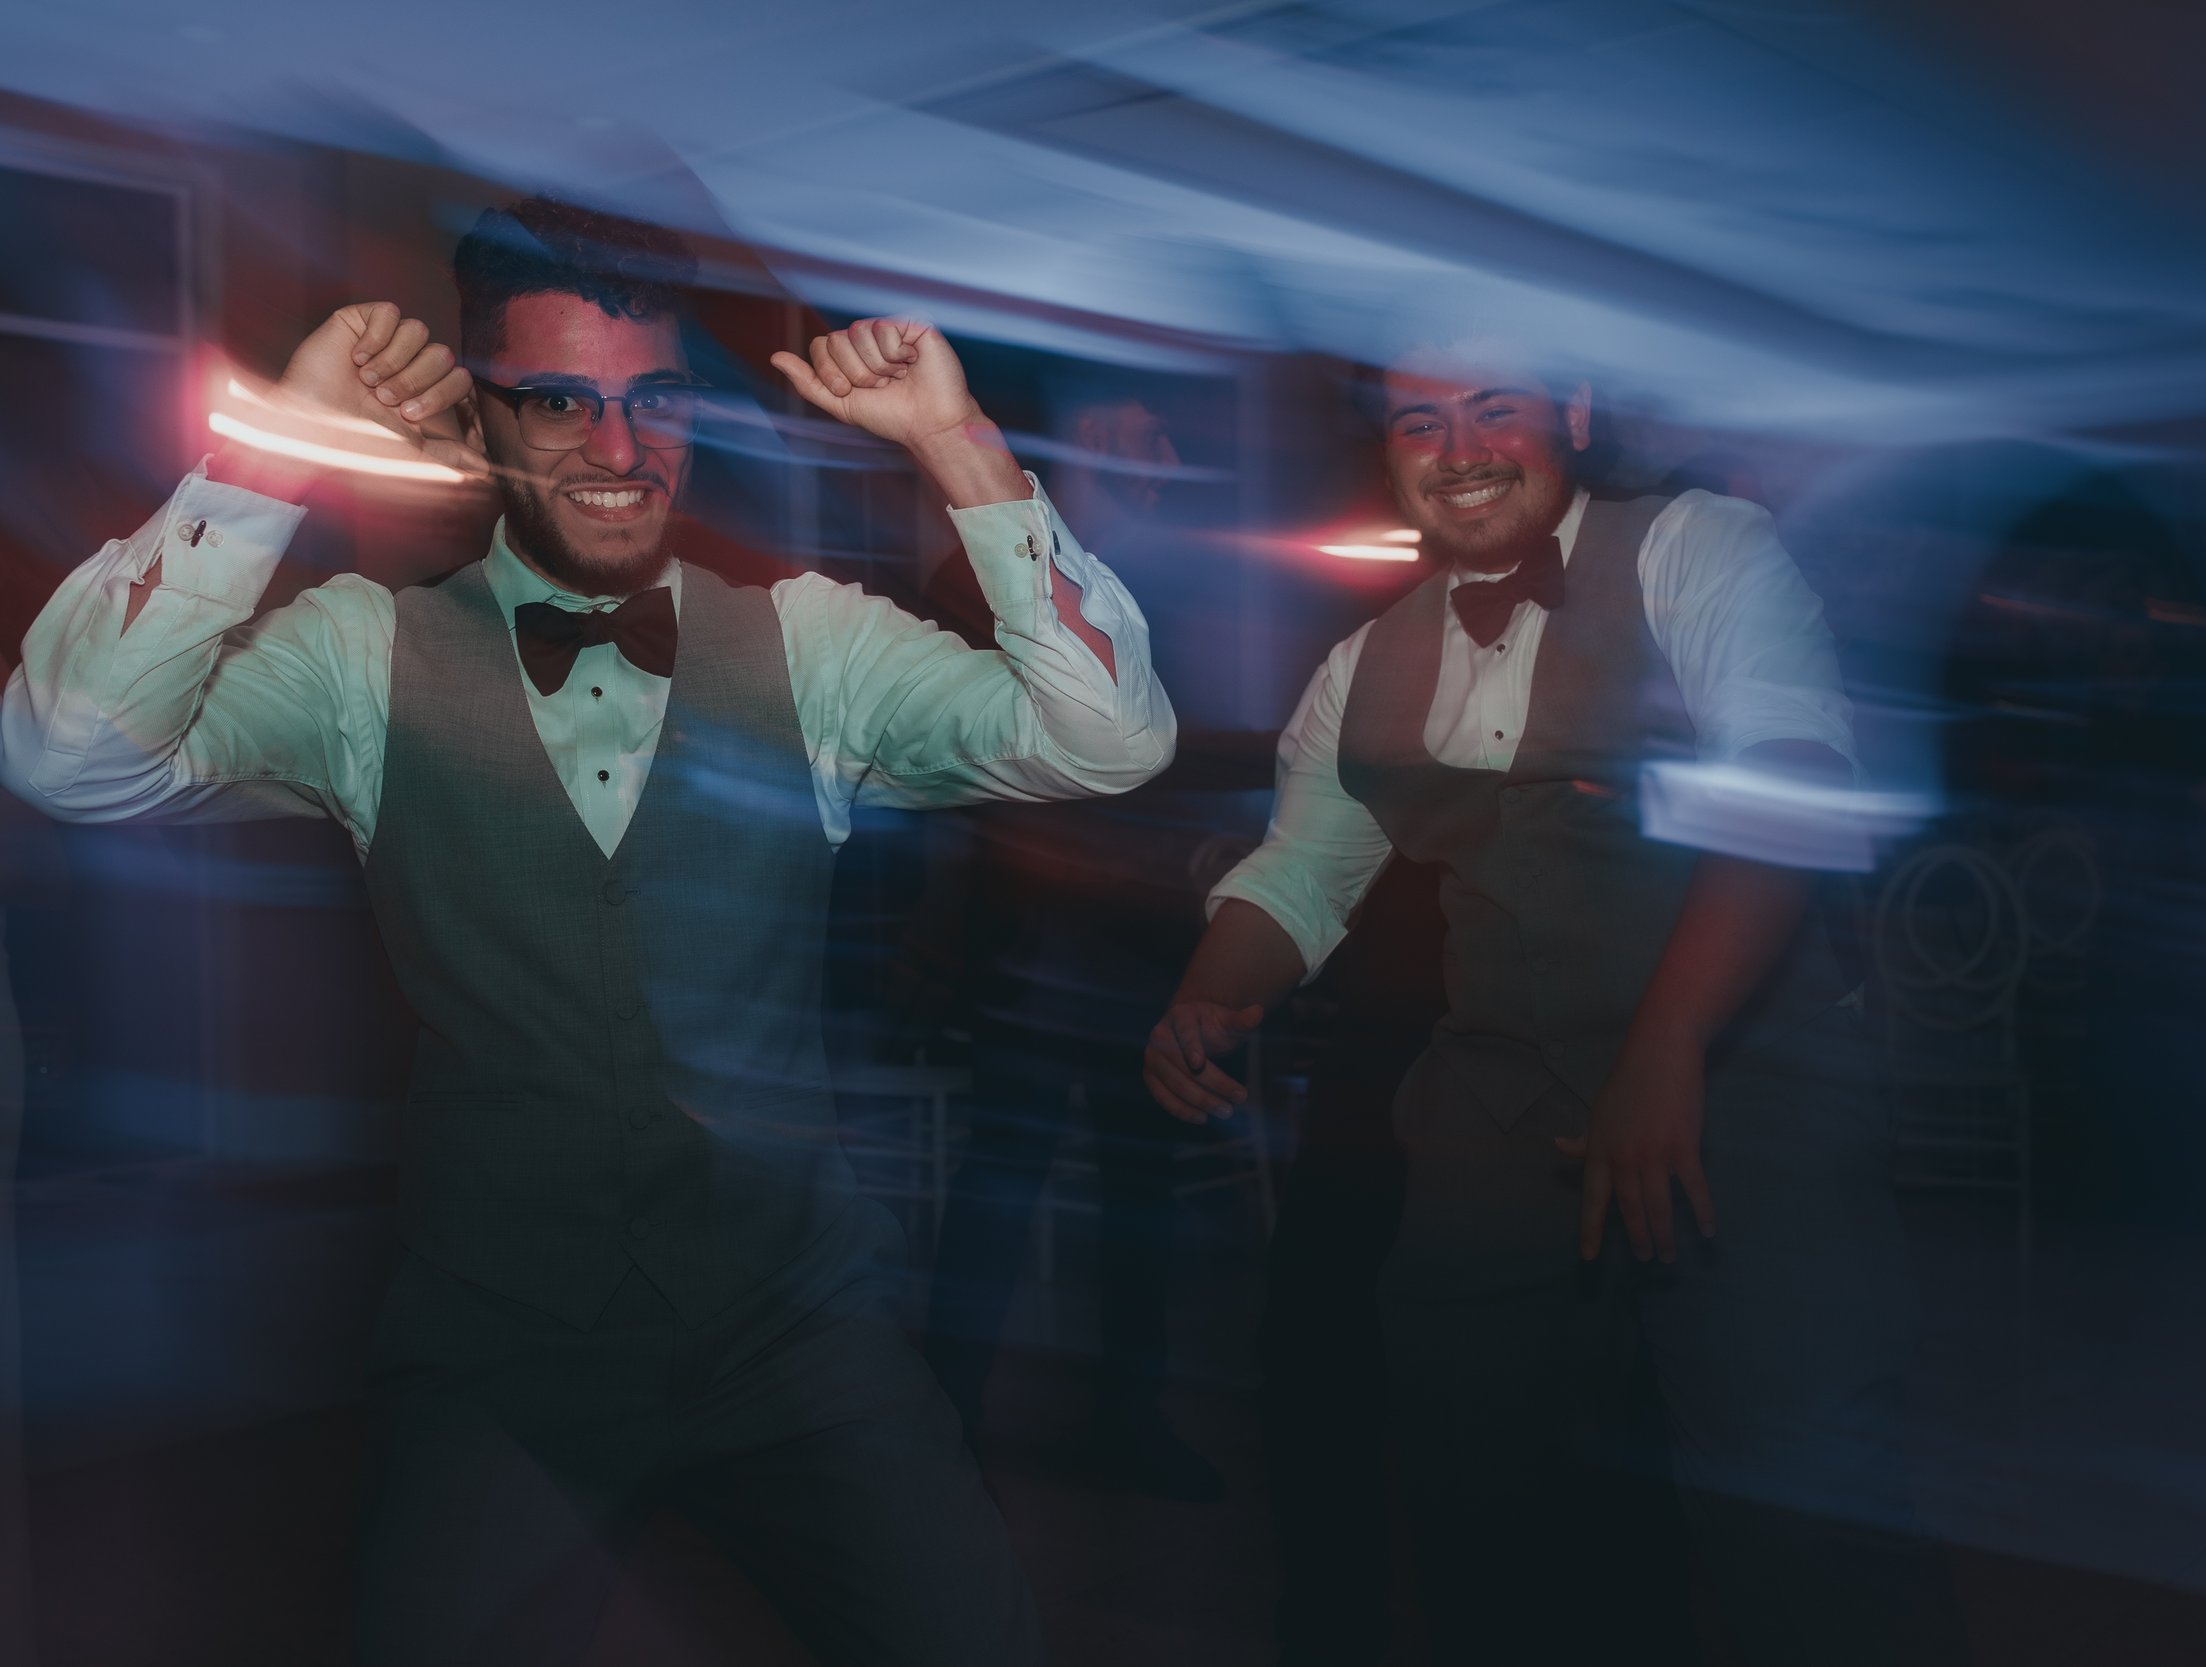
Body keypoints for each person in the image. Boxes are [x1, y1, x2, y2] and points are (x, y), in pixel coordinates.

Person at [0, 196, 1175, 1666]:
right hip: (503, 1346)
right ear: (485, 416)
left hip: (796, 1339)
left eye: (654, 399)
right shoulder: (365, 651)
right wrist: (270, 446)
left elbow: (1109, 740)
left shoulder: (815, 638)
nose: (618, 452)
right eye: (557, 402)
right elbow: (66, 755)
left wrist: (958, 444)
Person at [1145, 338, 1963, 1664]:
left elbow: (1790, 780)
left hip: (1744, 1091)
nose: (1458, 447)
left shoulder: (1696, 546)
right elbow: (1304, 866)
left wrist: (1670, 1044)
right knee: (1482, 1493)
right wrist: (1210, 988)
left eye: (1495, 406)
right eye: (1420, 417)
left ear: (1573, 410)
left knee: (1800, 1511)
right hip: (1497, 1110)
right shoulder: (1367, 661)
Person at [918, 382, 1227, 1500]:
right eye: (1150, 427)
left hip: (1132, 961)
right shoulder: (979, 574)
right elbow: (968, 774)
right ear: (1096, 436)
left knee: (1138, 1200)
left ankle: (1125, 1419)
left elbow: (1174, 752)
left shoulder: (1155, 578)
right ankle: (940, 1427)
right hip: (1036, 964)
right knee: (1000, 1197)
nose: (1169, 446)